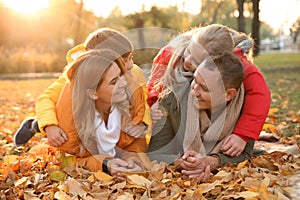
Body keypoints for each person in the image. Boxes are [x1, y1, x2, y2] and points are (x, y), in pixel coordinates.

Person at [148, 24, 270, 158]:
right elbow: (154, 83)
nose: (187, 61)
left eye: (196, 61)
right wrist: (153, 101)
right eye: (189, 52)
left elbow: (259, 95)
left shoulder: (236, 65)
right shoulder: (171, 53)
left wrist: (242, 134)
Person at [13, 28, 151, 146]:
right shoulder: (79, 75)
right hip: (82, 111)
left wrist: (142, 122)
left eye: (130, 57)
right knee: (69, 128)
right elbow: (47, 98)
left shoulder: (134, 72)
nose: (130, 65)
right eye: (124, 61)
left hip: (110, 109)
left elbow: (144, 96)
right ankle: (35, 125)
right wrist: (50, 125)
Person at [54, 48, 150, 175]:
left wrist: (132, 160)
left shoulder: (133, 101)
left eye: (121, 74)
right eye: (114, 82)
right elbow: (72, 160)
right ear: (93, 93)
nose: (123, 83)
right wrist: (105, 164)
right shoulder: (71, 128)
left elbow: (135, 143)